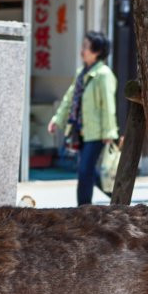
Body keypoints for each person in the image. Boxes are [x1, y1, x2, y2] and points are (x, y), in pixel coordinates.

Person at [47, 30, 118, 206]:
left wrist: (109, 132)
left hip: (97, 133)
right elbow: (69, 99)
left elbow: (108, 105)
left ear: (97, 51)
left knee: (85, 170)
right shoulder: (82, 73)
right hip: (81, 131)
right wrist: (57, 120)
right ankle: (118, 196)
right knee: (88, 171)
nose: (82, 50)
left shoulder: (103, 74)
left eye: (86, 47)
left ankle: (83, 209)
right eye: (83, 46)